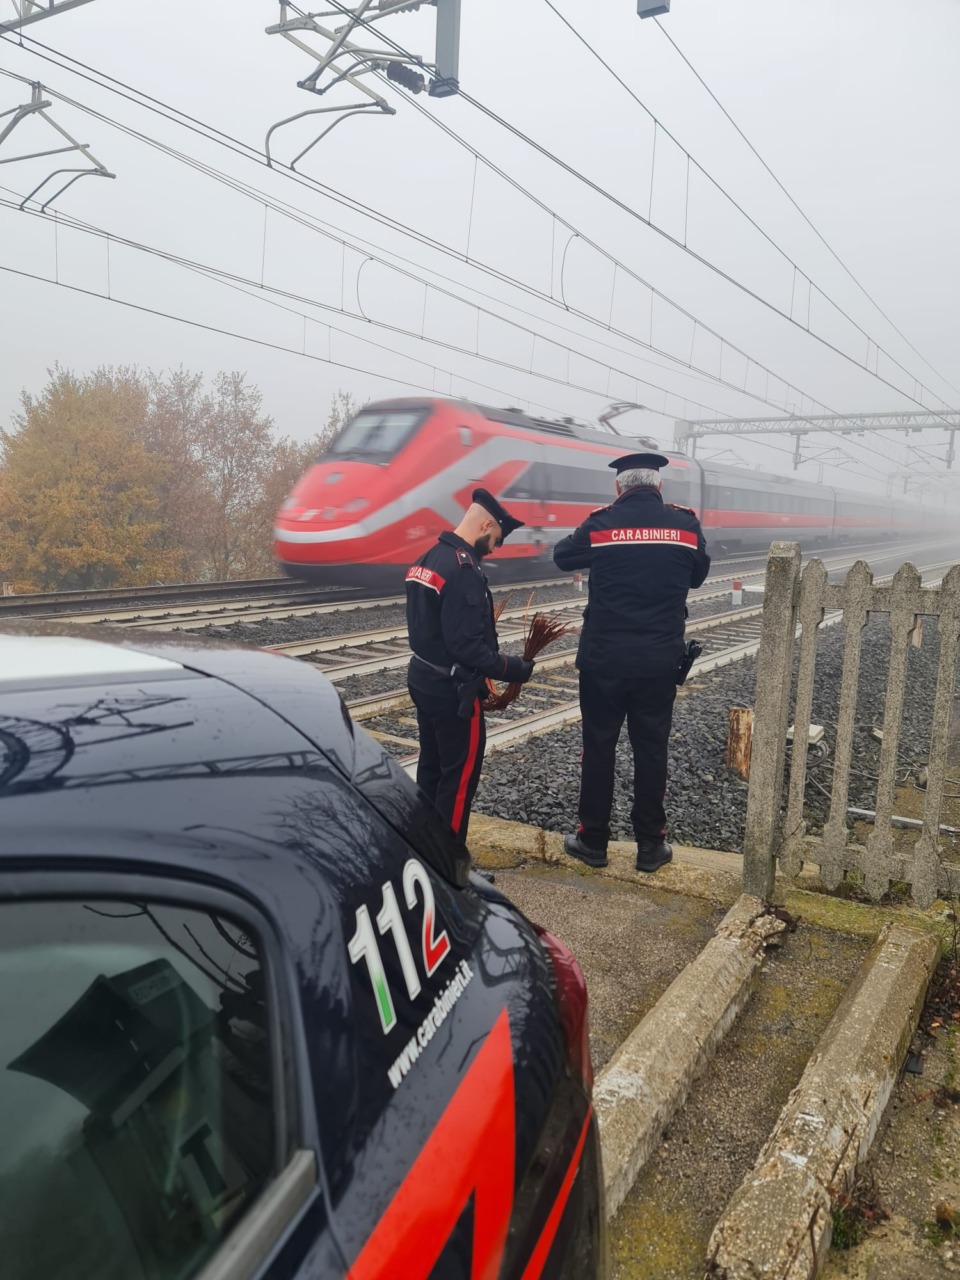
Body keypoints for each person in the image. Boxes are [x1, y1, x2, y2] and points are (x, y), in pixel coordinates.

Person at [553, 452, 710, 872]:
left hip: (604, 660)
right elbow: (697, 575)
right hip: (659, 662)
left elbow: (562, 556)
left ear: (618, 488)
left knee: (599, 748)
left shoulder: (601, 524)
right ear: (659, 487)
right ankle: (650, 846)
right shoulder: (685, 524)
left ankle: (593, 842)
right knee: (651, 751)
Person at [406, 488, 535, 843]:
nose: (495, 548)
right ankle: (451, 867)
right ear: (486, 524)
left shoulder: (427, 559)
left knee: (431, 769)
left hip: (422, 679)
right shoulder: (463, 569)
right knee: (458, 780)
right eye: (495, 539)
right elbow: (466, 648)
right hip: (453, 694)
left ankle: (425, 851)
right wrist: (514, 669)